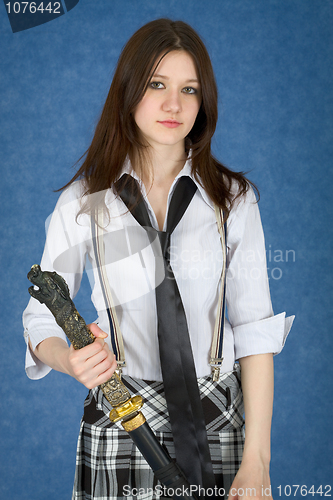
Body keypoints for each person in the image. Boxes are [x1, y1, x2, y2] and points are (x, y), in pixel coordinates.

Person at [23, 18, 293, 500]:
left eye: (189, 89)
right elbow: (39, 319)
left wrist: (258, 460)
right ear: (128, 92)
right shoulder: (84, 201)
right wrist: (69, 360)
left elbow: (255, 331)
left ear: (203, 101)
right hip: (121, 419)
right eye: (156, 84)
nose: (174, 104)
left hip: (219, 420)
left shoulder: (234, 200)